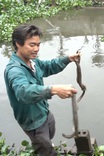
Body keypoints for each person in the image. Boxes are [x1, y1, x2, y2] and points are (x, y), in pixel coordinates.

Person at [4, 24, 80, 155]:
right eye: (32, 45)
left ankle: (47, 145)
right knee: (45, 149)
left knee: (49, 134)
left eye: (38, 45)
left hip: (44, 113)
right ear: (18, 44)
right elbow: (23, 92)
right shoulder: (14, 70)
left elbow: (49, 66)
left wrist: (68, 59)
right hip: (33, 122)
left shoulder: (32, 62)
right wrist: (53, 89)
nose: (36, 49)